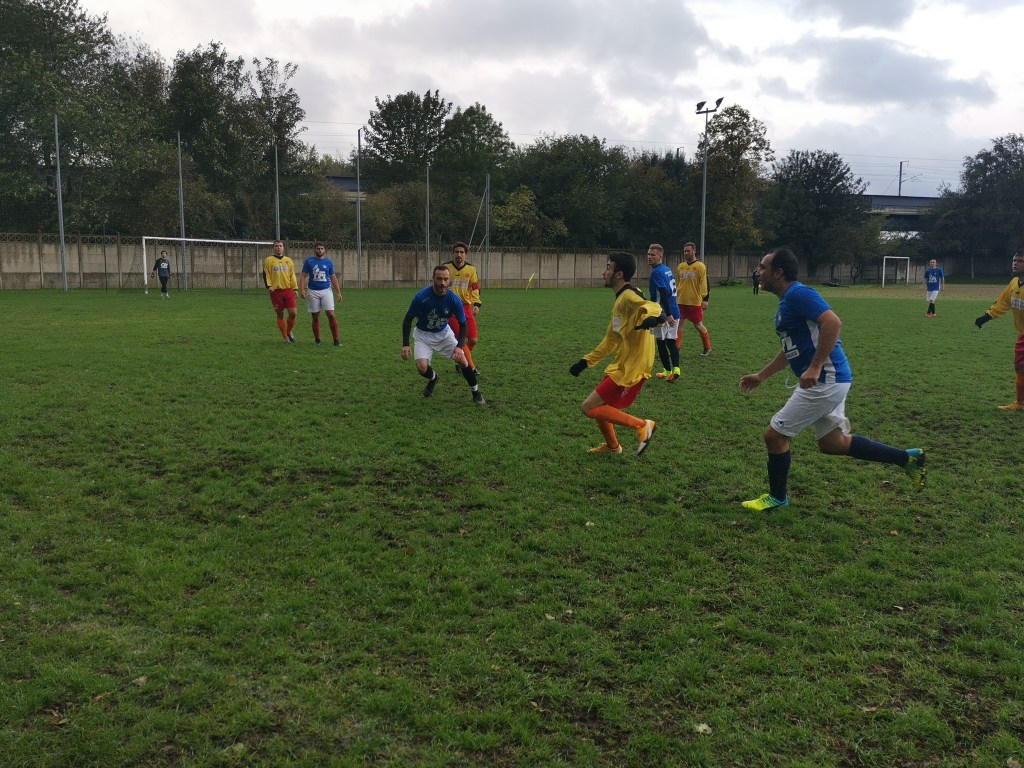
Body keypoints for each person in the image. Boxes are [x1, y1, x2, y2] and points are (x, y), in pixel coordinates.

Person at [738, 246, 926, 510]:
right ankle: (907, 459)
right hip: (829, 379)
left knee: (774, 436)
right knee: (833, 444)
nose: (758, 272)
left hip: (825, 379)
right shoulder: (787, 301)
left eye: (763, 267)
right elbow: (791, 348)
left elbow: (833, 322)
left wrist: (815, 367)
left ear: (778, 273)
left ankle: (777, 498)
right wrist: (762, 375)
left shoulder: (798, 294)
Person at [569, 252, 664, 455]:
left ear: (619, 274)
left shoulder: (630, 295)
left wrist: (656, 317)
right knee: (602, 407)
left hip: (633, 364)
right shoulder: (620, 301)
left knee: (588, 407)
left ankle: (642, 425)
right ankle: (613, 447)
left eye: (608, 268)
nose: (604, 272)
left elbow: (651, 306)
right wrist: (585, 362)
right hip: (623, 362)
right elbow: (611, 340)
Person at [402, 265, 485, 405]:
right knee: (422, 367)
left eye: (446, 279)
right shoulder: (421, 297)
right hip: (423, 335)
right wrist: (405, 344)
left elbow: (463, 325)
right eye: (439, 279)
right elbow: (408, 319)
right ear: (433, 279)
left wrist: (459, 346)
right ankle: (433, 378)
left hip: (443, 334)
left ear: (449, 281)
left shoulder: (454, 300)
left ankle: (476, 392)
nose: (442, 282)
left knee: (463, 361)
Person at [974, 250, 1024, 411]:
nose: (1015, 263)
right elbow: (1003, 303)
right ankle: (1020, 404)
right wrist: (986, 316)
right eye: (1014, 260)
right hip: (1022, 336)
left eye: (1020, 261)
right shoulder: (1014, 282)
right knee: (1020, 369)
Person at [443, 242, 482, 375]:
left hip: (466, 307)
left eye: (461, 252)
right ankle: (471, 368)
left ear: (466, 255)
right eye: (456, 252)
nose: (459, 254)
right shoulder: (446, 268)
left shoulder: (471, 270)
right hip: (451, 309)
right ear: (453, 253)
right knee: (462, 339)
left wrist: (477, 304)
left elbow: (475, 287)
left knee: (473, 340)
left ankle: (460, 359)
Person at [646, 244, 681, 381]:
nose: (649, 257)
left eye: (652, 255)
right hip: (675, 310)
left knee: (661, 342)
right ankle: (676, 369)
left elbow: (664, 293)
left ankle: (667, 370)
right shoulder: (666, 269)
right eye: (648, 254)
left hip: (663, 313)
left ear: (660, 256)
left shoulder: (656, 272)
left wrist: (667, 314)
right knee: (671, 341)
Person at [300, 242, 343, 346]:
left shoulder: (329, 262)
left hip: (326, 291)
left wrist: (338, 292)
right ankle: (317, 340)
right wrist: (302, 289)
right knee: (315, 316)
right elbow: (303, 276)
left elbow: (333, 277)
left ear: (325, 250)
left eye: (321, 248)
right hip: (312, 291)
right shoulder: (309, 261)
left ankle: (336, 340)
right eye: (318, 248)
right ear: (314, 250)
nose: (320, 250)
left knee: (331, 315)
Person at [676, 241, 712, 357]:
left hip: (695, 302)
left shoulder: (700, 266)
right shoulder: (681, 266)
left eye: (688, 251)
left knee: (698, 325)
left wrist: (705, 299)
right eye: (684, 251)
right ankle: (677, 349)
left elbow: (705, 283)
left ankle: (707, 347)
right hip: (681, 301)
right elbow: (677, 283)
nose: (686, 253)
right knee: (678, 325)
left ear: (694, 251)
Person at [263, 240, 299, 343]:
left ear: (283, 248)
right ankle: (285, 337)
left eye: (280, 246)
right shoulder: (269, 260)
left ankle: (289, 331)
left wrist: (295, 288)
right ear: (273, 248)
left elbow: (292, 275)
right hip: (276, 291)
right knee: (280, 314)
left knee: (293, 313)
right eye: (276, 246)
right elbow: (266, 274)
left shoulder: (289, 260)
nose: (279, 248)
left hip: (287, 290)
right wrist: (269, 286)